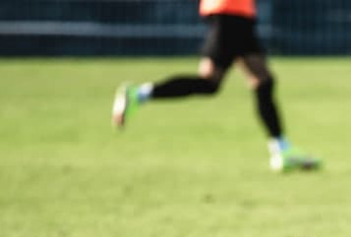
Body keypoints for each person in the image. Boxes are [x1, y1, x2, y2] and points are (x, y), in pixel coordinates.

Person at [111, 0, 320, 173]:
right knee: (220, 82)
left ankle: (282, 150)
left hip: (232, 12)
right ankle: (139, 94)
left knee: (255, 80)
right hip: (231, 12)